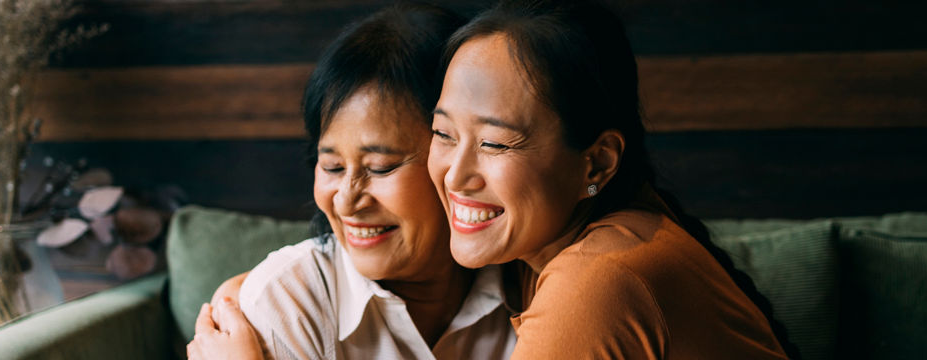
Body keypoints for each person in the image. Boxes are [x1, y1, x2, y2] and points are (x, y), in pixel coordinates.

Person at [426, 0, 797, 358]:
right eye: (443, 133)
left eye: (494, 143)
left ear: (597, 164)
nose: (456, 176)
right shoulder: (553, 245)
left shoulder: (597, 282)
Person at [187, 3, 516, 359]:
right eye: (332, 167)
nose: (345, 201)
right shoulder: (285, 303)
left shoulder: (529, 282)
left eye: (379, 167)